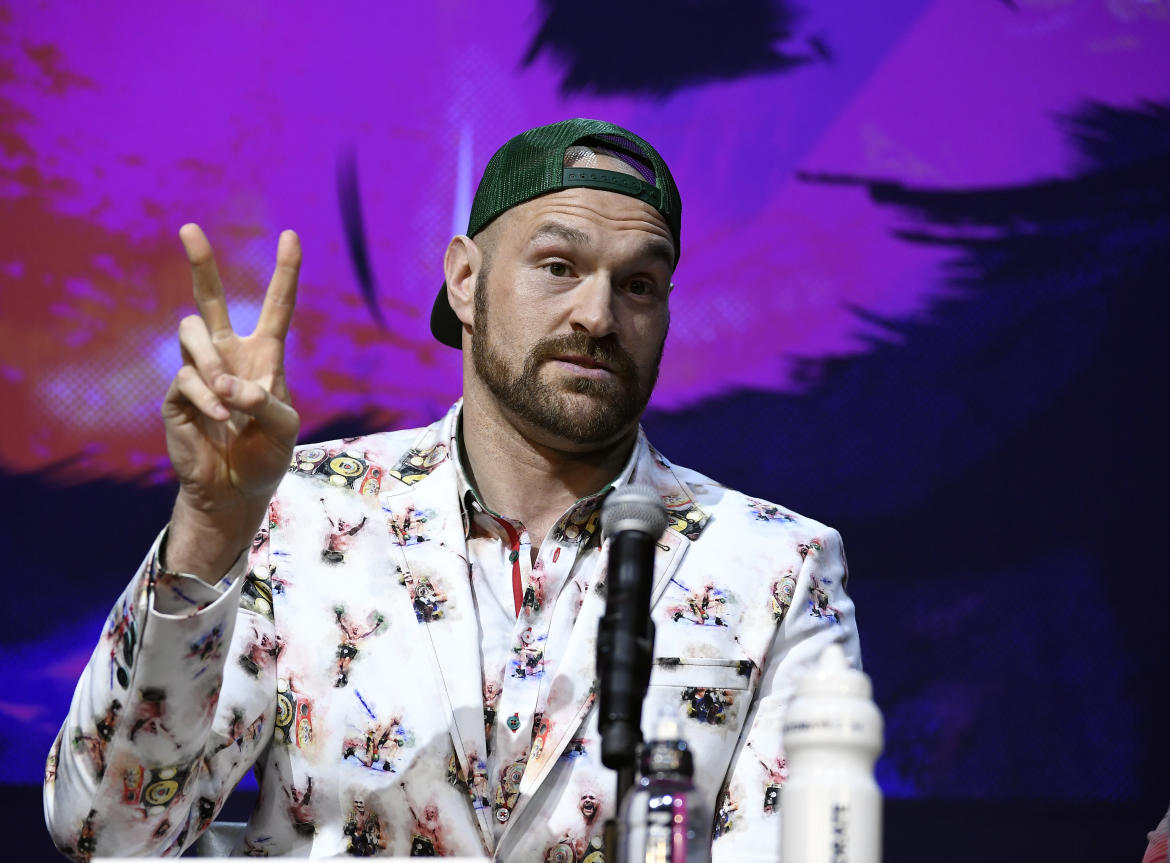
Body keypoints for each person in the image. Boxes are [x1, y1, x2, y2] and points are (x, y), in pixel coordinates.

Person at [44, 118, 861, 861]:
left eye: (638, 285)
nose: (599, 314)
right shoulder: (298, 510)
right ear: (465, 279)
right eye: (558, 265)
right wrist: (209, 526)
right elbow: (107, 830)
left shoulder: (777, 566)